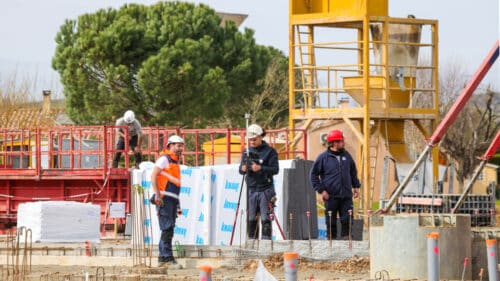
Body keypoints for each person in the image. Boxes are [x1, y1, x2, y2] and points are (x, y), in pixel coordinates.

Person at [310, 129, 361, 240]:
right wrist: (321, 190)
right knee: (331, 221)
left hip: (346, 195)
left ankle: (347, 241)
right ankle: (331, 242)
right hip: (330, 196)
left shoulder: (347, 156)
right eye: (341, 141)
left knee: (347, 219)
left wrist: (356, 186)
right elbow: (313, 175)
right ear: (334, 143)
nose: (344, 143)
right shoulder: (323, 158)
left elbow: (353, 171)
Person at [239, 124, 279, 240]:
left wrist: (261, 168)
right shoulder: (246, 151)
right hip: (251, 189)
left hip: (265, 189)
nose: (252, 142)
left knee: (265, 219)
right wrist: (243, 169)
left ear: (261, 137)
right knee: (251, 219)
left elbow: (275, 169)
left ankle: (265, 246)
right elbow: (241, 169)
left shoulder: (270, 152)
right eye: (250, 140)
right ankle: (252, 243)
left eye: (254, 139)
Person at [151, 135, 184, 267]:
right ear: (170, 145)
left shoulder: (175, 163)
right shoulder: (164, 159)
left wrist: (177, 202)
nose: (180, 148)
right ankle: (166, 258)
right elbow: (153, 175)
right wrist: (157, 195)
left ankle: (163, 257)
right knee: (167, 228)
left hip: (171, 200)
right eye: (178, 145)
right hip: (164, 199)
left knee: (168, 228)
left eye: (181, 145)